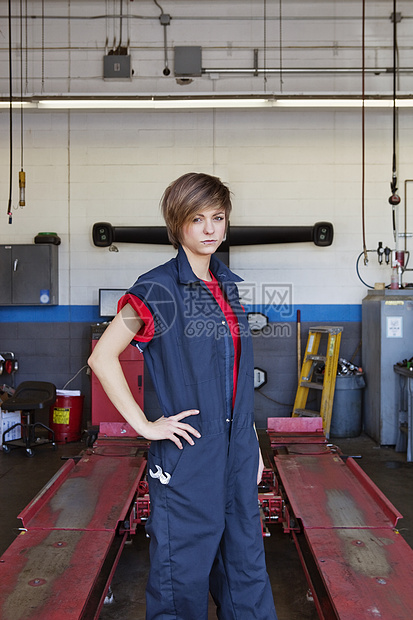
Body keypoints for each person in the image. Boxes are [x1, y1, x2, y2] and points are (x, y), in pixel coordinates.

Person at [88, 172, 278, 620]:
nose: (211, 229)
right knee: (182, 580)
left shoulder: (228, 288)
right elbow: (102, 357)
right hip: (189, 454)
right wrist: (145, 426)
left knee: (246, 570)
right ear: (178, 225)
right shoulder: (157, 290)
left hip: (236, 453)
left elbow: (232, 377)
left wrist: (251, 446)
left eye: (218, 217)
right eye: (198, 219)